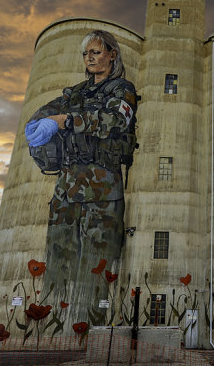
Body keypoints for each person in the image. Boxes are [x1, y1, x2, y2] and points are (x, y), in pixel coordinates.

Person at [25, 30, 138, 327]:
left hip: (102, 189)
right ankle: (53, 330)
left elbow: (115, 121)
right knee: (59, 257)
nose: (89, 57)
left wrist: (65, 120)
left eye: (96, 52)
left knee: (97, 263)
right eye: (86, 53)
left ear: (112, 54)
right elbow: (41, 116)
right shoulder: (73, 93)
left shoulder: (121, 89)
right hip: (67, 187)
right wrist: (37, 126)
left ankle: (91, 331)